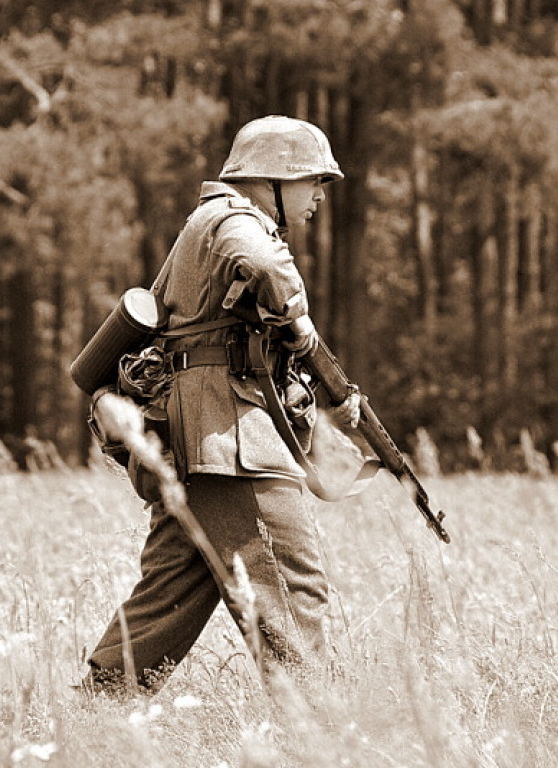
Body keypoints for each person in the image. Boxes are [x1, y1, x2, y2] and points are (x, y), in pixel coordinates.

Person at [83, 115, 361, 694]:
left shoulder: (205, 222)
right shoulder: (233, 218)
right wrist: (300, 322)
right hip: (233, 444)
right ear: (273, 178)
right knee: (293, 590)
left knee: (167, 601)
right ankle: (316, 728)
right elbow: (262, 264)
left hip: (199, 445)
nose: (318, 195)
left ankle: (95, 714)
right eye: (312, 180)